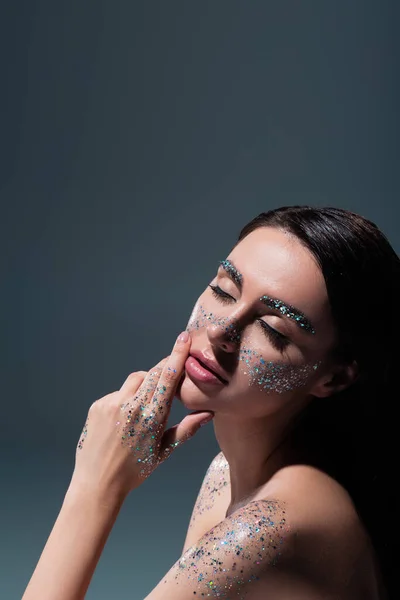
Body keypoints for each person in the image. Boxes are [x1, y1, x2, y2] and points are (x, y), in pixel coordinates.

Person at [22, 206, 396, 600]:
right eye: (223, 291)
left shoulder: (267, 529)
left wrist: (96, 485)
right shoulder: (224, 476)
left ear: (333, 377)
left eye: (272, 328)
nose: (221, 330)